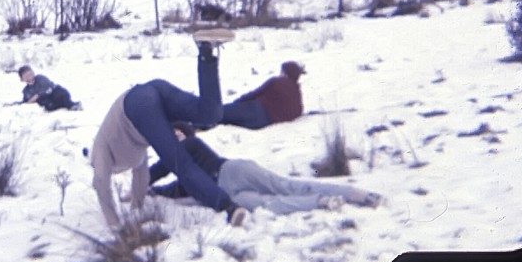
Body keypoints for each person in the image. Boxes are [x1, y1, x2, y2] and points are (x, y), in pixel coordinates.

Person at [90, 36, 243, 229]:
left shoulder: (100, 149)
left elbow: (100, 182)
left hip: (137, 105)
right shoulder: (136, 154)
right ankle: (206, 51)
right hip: (152, 92)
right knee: (210, 114)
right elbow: (142, 178)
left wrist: (115, 224)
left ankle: (228, 208)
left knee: (180, 163)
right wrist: (136, 205)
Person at [149, 121, 382, 215]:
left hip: (232, 171)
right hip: (229, 194)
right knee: (266, 205)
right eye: (172, 136)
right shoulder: (186, 180)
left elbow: (160, 168)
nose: (175, 139)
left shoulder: (191, 145)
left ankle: (355, 194)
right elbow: (170, 190)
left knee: (286, 186)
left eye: (178, 134)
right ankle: (321, 202)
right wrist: (149, 192)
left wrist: (142, 180)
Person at [220, 60, 305, 129]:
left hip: (256, 109)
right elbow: (298, 111)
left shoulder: (276, 81)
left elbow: (254, 94)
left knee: (219, 113)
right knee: (229, 121)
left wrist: (237, 102)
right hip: (264, 122)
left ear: (285, 72)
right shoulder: (297, 91)